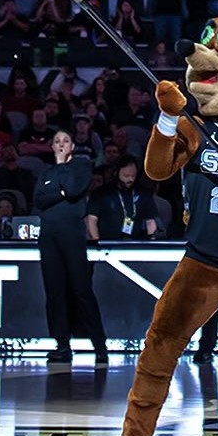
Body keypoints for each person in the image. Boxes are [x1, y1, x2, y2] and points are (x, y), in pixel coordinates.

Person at [36, 129, 108, 364]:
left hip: (72, 236)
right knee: (55, 291)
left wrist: (60, 176)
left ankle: (99, 345)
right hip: (48, 236)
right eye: (56, 141)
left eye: (65, 141)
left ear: (72, 147)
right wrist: (61, 192)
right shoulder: (45, 172)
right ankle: (62, 345)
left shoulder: (81, 167)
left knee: (81, 290)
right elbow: (39, 200)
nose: (60, 144)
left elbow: (74, 189)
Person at [87, 156, 159, 242]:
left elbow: (150, 221)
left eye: (133, 175)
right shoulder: (101, 193)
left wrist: (152, 242)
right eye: (126, 176)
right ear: (116, 173)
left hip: (135, 245)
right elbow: (91, 220)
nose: (130, 179)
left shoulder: (143, 193)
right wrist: (96, 242)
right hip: (107, 245)